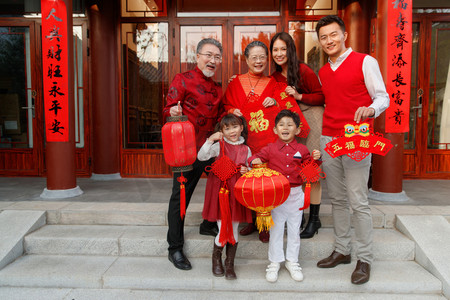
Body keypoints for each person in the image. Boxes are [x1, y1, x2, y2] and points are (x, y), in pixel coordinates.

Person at [314, 15, 389, 284]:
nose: (329, 40)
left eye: (333, 34)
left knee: (358, 199)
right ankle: (342, 250)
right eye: (323, 37)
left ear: (344, 35)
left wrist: (371, 109)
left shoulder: (365, 61)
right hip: (329, 139)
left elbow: (383, 97)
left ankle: (365, 258)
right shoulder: (323, 71)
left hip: (357, 138)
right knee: (337, 199)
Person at [163, 38, 224, 271]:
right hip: (186, 151)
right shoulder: (183, 80)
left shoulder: (218, 88)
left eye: (217, 57)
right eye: (208, 55)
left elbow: (220, 116)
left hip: (209, 150)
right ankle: (174, 247)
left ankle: (208, 223)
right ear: (197, 56)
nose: (212, 60)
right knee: (180, 198)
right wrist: (173, 110)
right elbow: (167, 109)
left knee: (221, 185)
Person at [249, 110, 322, 282]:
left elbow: (309, 169)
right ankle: (274, 263)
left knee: (294, 230)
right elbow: (255, 158)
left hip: (296, 195)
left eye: (290, 125)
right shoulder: (270, 148)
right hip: (276, 196)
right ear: (275, 130)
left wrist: (315, 159)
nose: (285, 128)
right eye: (281, 125)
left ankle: (292, 261)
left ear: (297, 130)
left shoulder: (302, 149)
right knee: (276, 230)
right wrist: (253, 161)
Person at [269, 32, 325, 239]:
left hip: (312, 117)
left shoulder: (303, 70)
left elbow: (321, 95)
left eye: (283, 49)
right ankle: (298, 213)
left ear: (290, 50)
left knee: (311, 169)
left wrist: (299, 96)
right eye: (275, 50)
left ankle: (314, 219)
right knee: (294, 168)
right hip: (291, 122)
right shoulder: (274, 77)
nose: (279, 53)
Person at [222, 41, 279, 243]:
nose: (258, 61)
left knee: (263, 183)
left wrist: (275, 101)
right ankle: (250, 220)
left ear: (267, 59)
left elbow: (282, 109)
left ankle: (264, 224)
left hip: (265, 141)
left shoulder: (273, 83)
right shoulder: (235, 82)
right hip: (242, 143)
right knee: (245, 181)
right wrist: (231, 111)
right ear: (246, 60)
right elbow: (226, 104)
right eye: (253, 57)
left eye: (262, 57)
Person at [198, 114, 252, 280]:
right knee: (223, 227)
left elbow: (250, 169)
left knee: (234, 228)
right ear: (221, 131)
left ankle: (229, 263)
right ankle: (216, 260)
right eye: (226, 128)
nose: (232, 131)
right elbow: (201, 157)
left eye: (234, 127)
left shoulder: (246, 149)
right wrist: (210, 140)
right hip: (221, 192)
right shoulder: (219, 146)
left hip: (236, 192)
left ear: (241, 128)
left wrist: (246, 171)